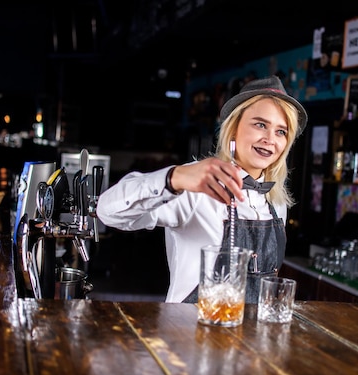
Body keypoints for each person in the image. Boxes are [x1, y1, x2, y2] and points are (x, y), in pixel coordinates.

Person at [96, 75, 308, 303]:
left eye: (281, 131)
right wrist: (173, 179)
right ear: (234, 128)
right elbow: (108, 212)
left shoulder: (276, 202)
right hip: (191, 334)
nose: (270, 139)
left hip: (251, 337)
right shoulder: (194, 184)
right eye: (260, 124)